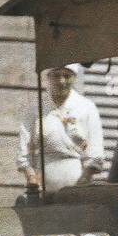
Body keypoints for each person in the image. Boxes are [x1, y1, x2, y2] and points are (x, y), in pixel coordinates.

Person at [17, 63, 105, 193]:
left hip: (76, 182)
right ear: (49, 78)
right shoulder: (36, 109)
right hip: (43, 183)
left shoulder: (86, 107)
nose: (61, 81)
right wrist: (31, 176)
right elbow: (24, 147)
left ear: (74, 78)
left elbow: (95, 150)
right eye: (56, 75)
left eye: (67, 76)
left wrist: (85, 178)